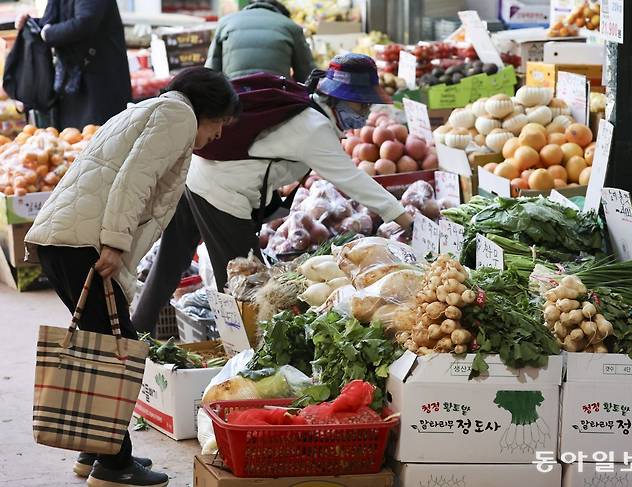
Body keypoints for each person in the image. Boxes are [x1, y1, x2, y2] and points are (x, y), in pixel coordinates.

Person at [24, 67, 240, 487]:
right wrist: (115, 242)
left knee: (104, 344)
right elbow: (134, 179)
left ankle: (97, 449)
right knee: (117, 347)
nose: (218, 134)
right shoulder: (178, 118)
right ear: (207, 109)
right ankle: (114, 464)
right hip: (84, 243)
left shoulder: (151, 110)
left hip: (67, 239)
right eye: (220, 123)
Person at [131, 53, 413, 332]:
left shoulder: (305, 107)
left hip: (197, 177)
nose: (363, 114)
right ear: (338, 98)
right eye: (359, 104)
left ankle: (136, 334)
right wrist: (405, 220)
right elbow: (353, 180)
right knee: (245, 285)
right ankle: (244, 357)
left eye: (366, 107)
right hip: (222, 193)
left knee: (169, 263)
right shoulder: (315, 129)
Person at [15, 0, 132, 130]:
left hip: (97, 83)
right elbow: (54, 20)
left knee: (97, 138)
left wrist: (47, 33)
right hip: (73, 82)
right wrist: (32, 24)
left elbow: (85, 22)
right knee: (72, 139)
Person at [206, 0, 315, 82]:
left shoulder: (225, 22)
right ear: (283, 15)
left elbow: (211, 71)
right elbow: (306, 74)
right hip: (276, 95)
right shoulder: (291, 26)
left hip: (235, 95)